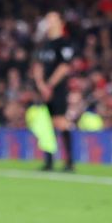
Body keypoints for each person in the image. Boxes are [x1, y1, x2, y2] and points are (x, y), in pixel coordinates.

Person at [32, 12, 75, 171]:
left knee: (60, 122)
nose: (49, 22)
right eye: (47, 18)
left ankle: (69, 161)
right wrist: (41, 85)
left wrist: (49, 85)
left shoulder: (64, 43)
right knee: (45, 125)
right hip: (44, 89)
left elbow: (64, 66)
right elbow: (37, 65)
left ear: (61, 22)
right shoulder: (44, 44)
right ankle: (49, 161)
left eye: (52, 19)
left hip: (58, 89)